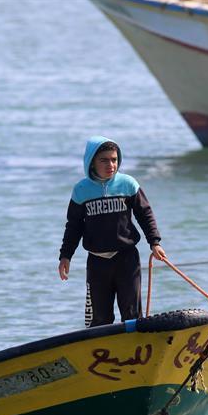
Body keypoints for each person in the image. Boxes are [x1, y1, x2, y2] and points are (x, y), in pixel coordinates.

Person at [58, 136, 166, 327]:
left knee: (132, 314)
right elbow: (73, 226)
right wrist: (65, 256)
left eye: (114, 159)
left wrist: (154, 243)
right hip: (97, 262)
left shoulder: (128, 184)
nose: (111, 164)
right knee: (99, 318)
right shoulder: (81, 190)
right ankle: (100, 354)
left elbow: (145, 214)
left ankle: (135, 353)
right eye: (104, 160)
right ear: (92, 162)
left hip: (127, 259)